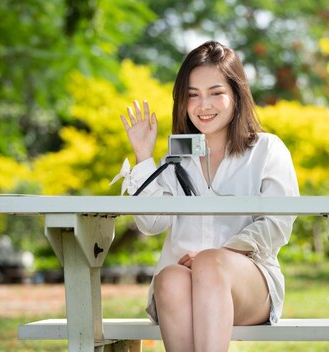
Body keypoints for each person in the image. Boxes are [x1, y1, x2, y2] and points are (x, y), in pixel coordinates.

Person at [117, 41, 299, 351]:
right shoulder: (176, 159)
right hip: (182, 288)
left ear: (236, 95)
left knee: (212, 264)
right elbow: (150, 224)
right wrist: (144, 156)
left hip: (249, 287)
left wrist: (217, 255)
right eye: (193, 95)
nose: (204, 105)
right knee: (169, 277)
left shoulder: (267, 149)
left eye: (216, 93)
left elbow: (278, 224)